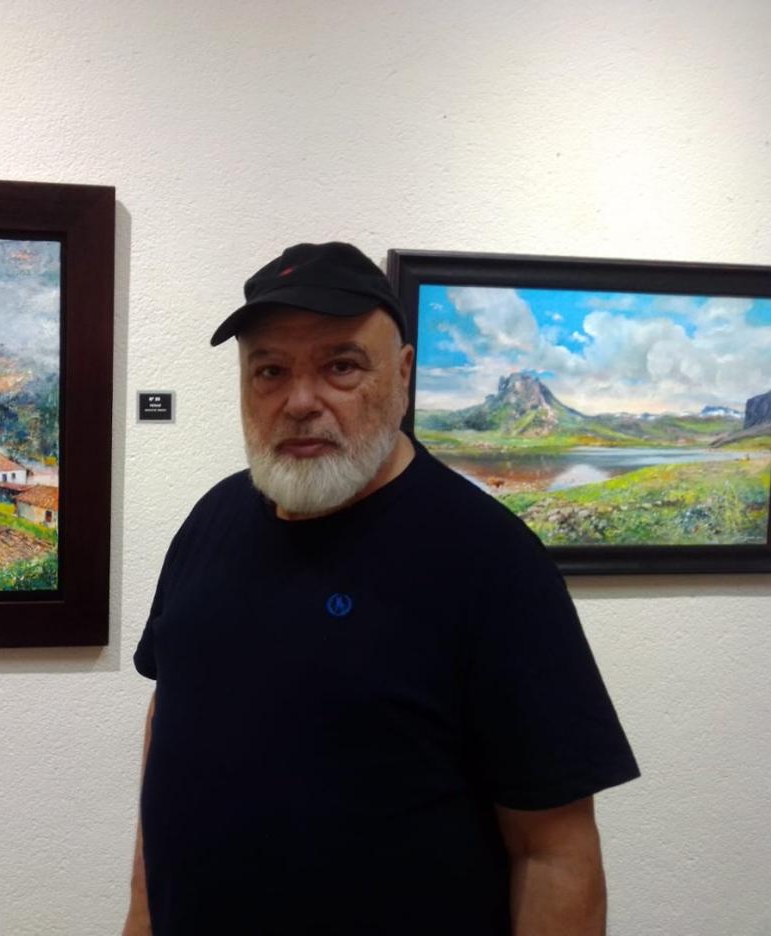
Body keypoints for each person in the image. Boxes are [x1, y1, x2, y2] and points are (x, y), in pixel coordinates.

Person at [124, 242, 639, 935]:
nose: (300, 401)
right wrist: (140, 913)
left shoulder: (490, 560)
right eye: (270, 370)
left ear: (402, 375)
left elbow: (555, 854)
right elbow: (171, 719)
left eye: (340, 366)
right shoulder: (210, 520)